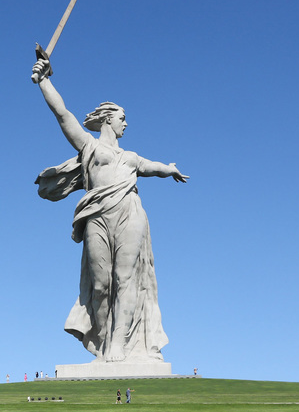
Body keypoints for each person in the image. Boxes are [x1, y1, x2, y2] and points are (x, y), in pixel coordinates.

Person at [32, 55, 188, 364]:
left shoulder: (130, 157)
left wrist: (168, 169)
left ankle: (118, 347)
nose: (126, 123)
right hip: (97, 216)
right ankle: (103, 343)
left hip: (129, 212)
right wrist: (44, 81)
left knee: (125, 278)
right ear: (107, 119)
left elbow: (151, 167)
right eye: (122, 117)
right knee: (101, 284)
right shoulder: (90, 147)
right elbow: (63, 114)